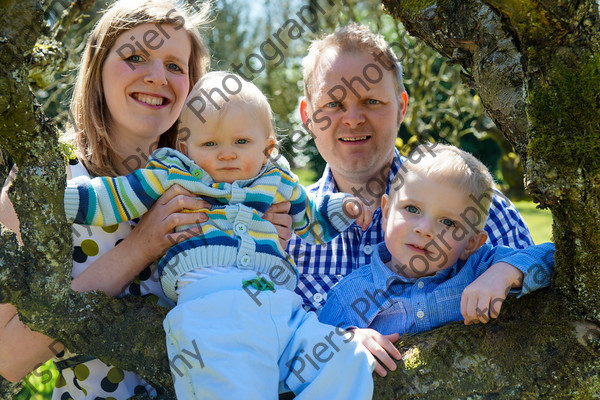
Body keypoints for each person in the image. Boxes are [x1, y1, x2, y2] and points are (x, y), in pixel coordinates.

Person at [0, 1, 292, 398]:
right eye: (136, 57)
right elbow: (7, 358)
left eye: (175, 66)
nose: (158, 77)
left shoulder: (221, 177)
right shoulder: (48, 183)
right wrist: (139, 248)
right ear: (97, 68)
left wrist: (266, 246)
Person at [64, 71, 375, 399]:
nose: (227, 153)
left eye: (241, 142)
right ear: (186, 147)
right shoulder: (174, 176)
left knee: (348, 358)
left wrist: (346, 208)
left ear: (267, 148)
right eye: (210, 143)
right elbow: (113, 197)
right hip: (213, 318)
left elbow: (313, 219)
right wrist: (52, 196)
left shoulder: (276, 182)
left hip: (284, 314)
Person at [287, 22, 536, 377]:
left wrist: (502, 273)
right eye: (333, 104)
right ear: (307, 117)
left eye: (371, 101)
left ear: (401, 107)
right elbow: (270, 343)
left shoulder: (479, 206)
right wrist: (335, 340)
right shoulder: (284, 228)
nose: (353, 119)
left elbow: (538, 312)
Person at [317, 143, 554, 334]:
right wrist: (348, 344)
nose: (425, 229)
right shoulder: (350, 294)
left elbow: (553, 255)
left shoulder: (479, 268)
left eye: (448, 222)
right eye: (412, 209)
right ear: (387, 213)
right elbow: (312, 358)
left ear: (471, 243)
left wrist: (502, 274)